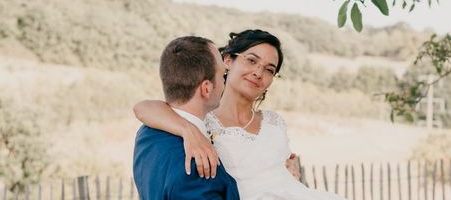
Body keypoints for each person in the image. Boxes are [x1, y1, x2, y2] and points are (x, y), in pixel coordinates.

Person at [133, 30, 344, 200]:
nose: (258, 72)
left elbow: (278, 176)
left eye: (269, 69)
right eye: (251, 60)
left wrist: (290, 179)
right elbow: (143, 108)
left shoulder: (274, 122)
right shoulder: (201, 117)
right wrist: (188, 131)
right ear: (228, 61)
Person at [132, 36, 240, 200]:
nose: (225, 82)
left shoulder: (147, 132)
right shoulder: (198, 166)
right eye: (223, 75)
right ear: (206, 88)